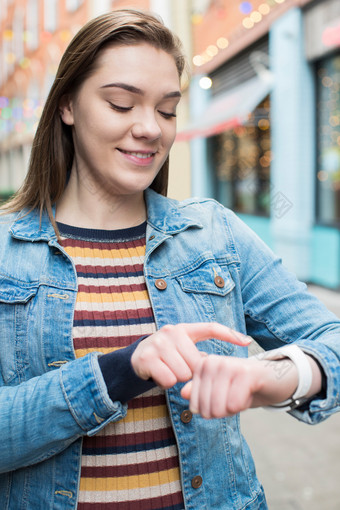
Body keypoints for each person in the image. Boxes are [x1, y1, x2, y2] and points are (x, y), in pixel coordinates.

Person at [0, 8, 339, 510]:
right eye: (121, 104)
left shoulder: (214, 233)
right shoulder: (8, 252)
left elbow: (330, 341)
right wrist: (120, 370)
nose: (150, 129)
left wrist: (273, 377)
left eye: (166, 109)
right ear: (68, 105)